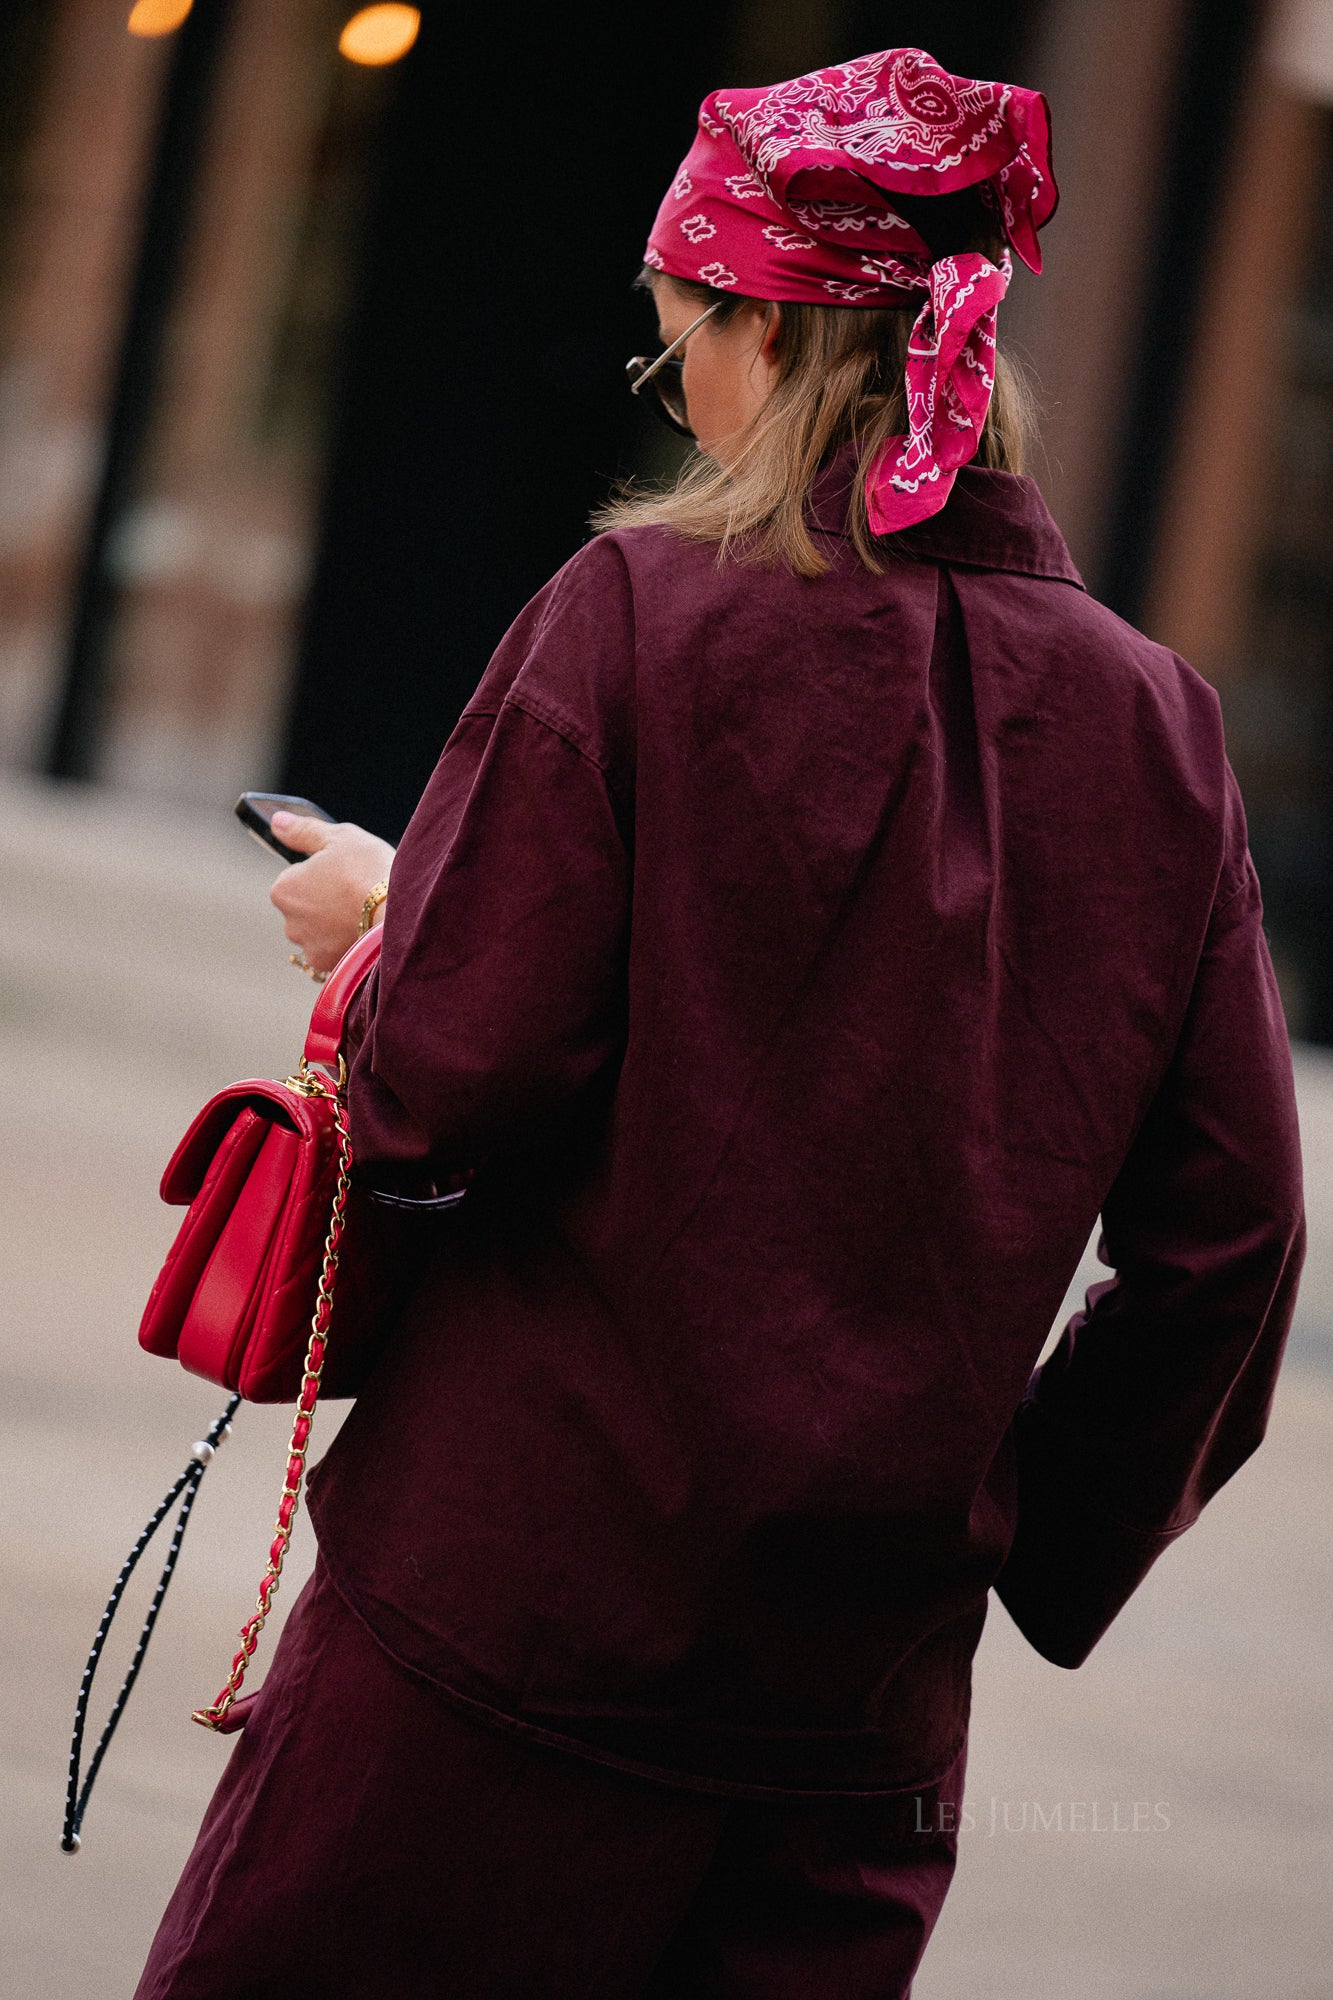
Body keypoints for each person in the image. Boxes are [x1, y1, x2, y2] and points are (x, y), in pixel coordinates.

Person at [136, 47, 1305, 2000]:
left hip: (503, 1632)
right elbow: (1232, 1245)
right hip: (849, 1713)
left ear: (758, 330)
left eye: (675, 326)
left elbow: (444, 1080)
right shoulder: (1159, 728)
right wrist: (1008, 1524)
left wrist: (376, 932)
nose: (671, 374)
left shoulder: (636, 617)